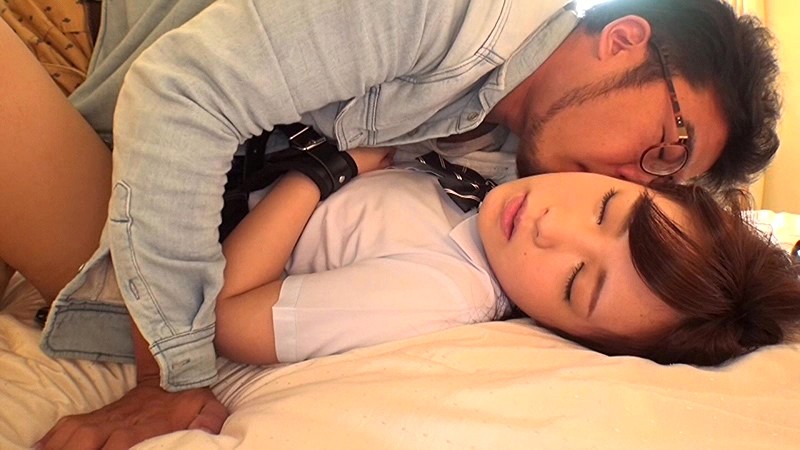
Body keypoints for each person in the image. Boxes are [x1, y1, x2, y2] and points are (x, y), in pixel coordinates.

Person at [0, 0, 782, 447]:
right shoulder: (451, 16)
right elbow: (181, 95)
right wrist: (166, 377)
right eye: (663, 149)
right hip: (127, 135)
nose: (627, 180)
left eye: (665, 182)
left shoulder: (510, 157)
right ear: (623, 38)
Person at [208, 148, 800, 369]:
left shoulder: (443, 290)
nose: (550, 228)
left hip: (210, 203)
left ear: (571, 334)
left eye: (575, 282)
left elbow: (228, 317)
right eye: (605, 208)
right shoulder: (501, 178)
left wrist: (324, 173)